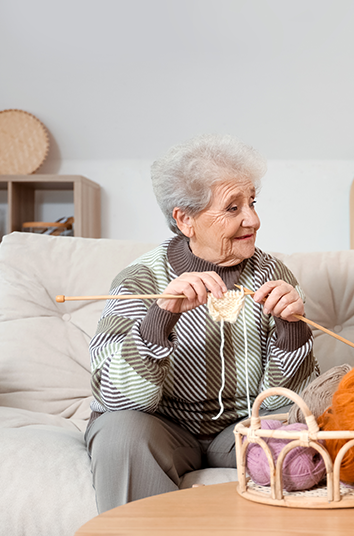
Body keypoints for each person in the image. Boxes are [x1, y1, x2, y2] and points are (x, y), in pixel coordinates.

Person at [86, 134, 319, 513]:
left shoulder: (273, 274)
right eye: (232, 208)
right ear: (185, 219)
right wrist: (160, 317)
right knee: (119, 436)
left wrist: (292, 332)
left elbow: (283, 409)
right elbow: (114, 398)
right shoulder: (141, 280)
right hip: (160, 427)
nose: (254, 220)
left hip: (240, 430)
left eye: (252, 203)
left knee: (295, 445)